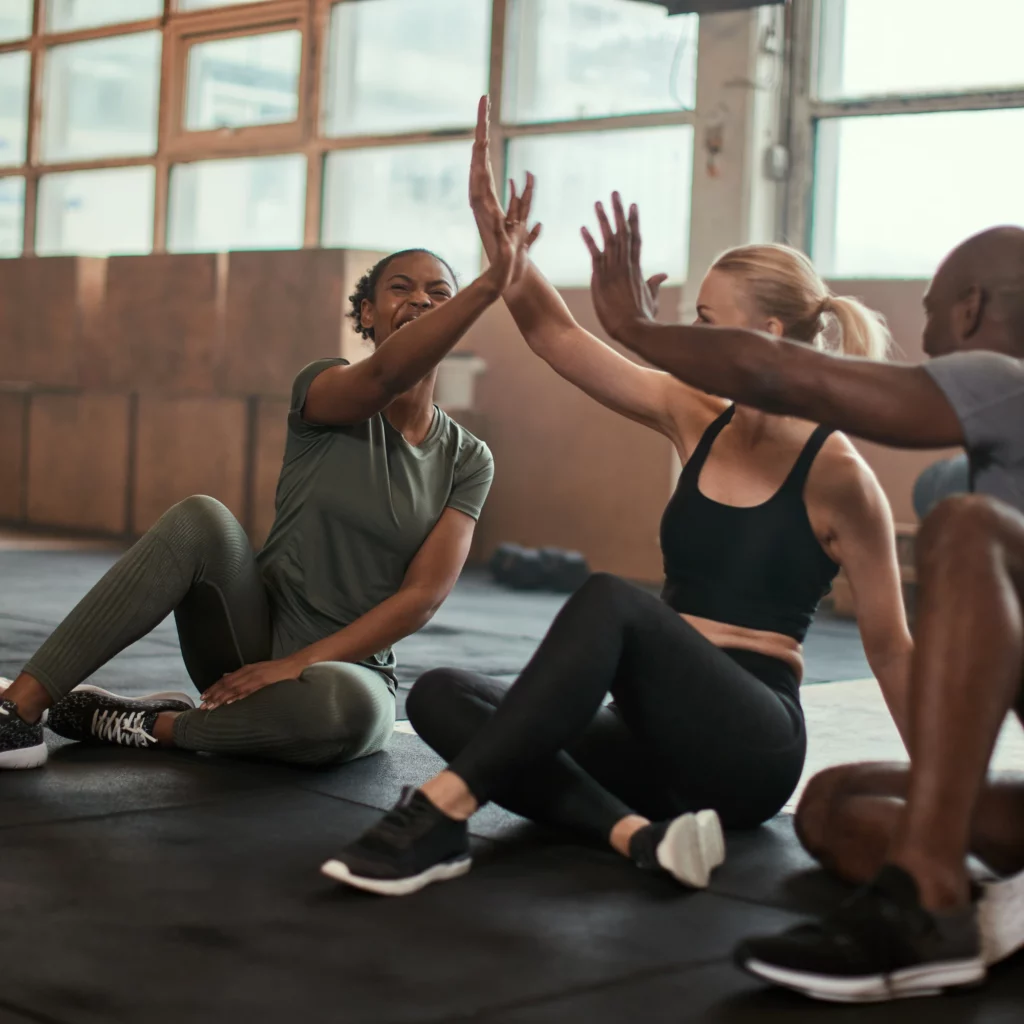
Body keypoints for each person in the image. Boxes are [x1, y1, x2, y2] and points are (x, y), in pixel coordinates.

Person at [317, 99, 912, 898]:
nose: (685, 336)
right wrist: (499, 245)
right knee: (444, 696)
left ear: (767, 336)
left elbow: (894, 651)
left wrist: (945, 808)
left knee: (612, 602)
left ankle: (439, 813)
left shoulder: (839, 474)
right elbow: (556, 336)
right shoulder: (692, 411)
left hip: (749, 747)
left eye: (705, 321)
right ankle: (638, 836)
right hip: (650, 741)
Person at [0, 99, 532, 771]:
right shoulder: (328, 386)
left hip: (341, 669)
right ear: (366, 313)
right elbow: (382, 381)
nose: (421, 301)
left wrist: (301, 665)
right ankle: (17, 708)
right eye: (401, 288)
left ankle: (143, 726)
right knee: (202, 519)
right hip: (246, 635)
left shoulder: (468, 459)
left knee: (355, 715)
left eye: (439, 293)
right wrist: (488, 285)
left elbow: (421, 598)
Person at [581, 200, 1024, 1001]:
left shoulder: (1005, 381)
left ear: (971, 308)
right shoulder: (984, 455)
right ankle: (997, 897)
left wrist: (640, 330)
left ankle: (932, 899)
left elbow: (784, 375)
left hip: (958, 531)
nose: (922, 337)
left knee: (964, 528)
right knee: (830, 808)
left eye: (930, 311)